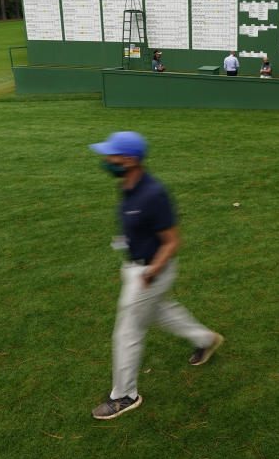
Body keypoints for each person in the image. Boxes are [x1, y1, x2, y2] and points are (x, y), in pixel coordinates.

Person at [88, 131, 224, 420]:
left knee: (127, 331)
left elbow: (173, 241)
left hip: (150, 271)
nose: (106, 160)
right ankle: (205, 339)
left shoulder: (153, 194)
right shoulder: (129, 185)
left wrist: (151, 272)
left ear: (130, 160)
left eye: (112, 155)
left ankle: (125, 395)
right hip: (137, 266)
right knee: (159, 312)